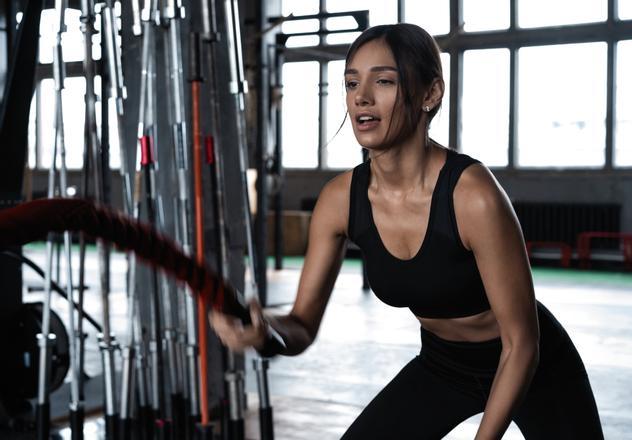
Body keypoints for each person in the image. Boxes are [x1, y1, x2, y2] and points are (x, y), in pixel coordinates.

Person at [209, 23, 604, 439]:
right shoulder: (340, 200)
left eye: (383, 80)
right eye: (350, 82)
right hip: (443, 365)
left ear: (430, 94)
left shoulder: (473, 196)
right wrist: (265, 333)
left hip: (534, 364)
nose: (361, 96)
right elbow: (302, 326)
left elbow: (522, 343)